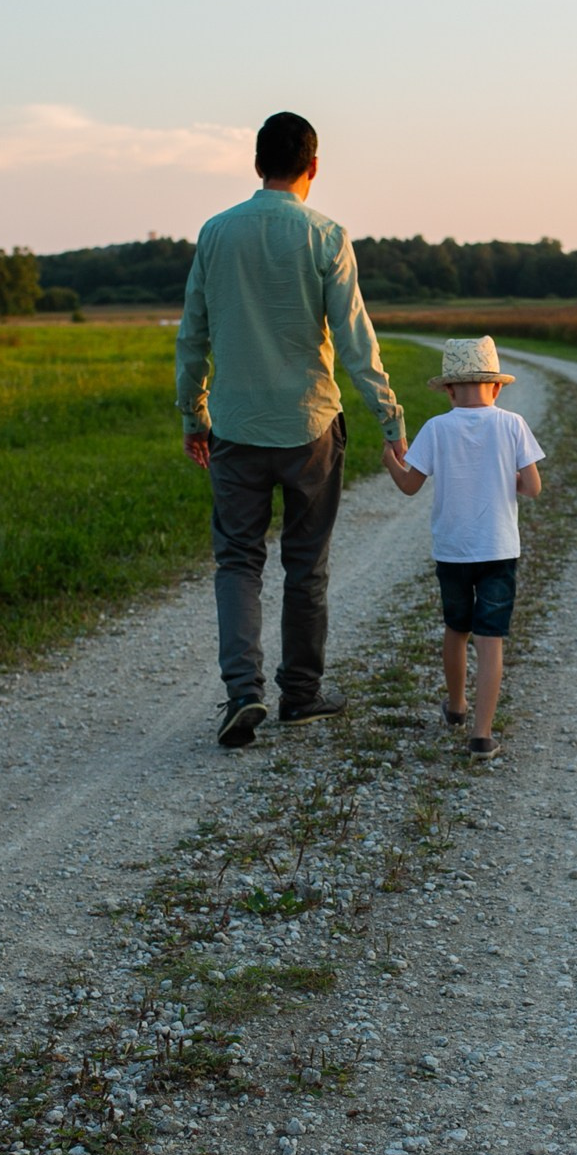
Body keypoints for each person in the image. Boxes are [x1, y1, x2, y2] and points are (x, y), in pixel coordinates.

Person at [176, 111, 408, 748]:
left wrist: (195, 415)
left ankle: (243, 693)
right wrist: (391, 418)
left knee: (238, 561)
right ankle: (300, 695)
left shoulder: (216, 233)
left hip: (236, 427)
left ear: (257, 165)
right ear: (313, 165)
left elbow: (192, 335)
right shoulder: (327, 236)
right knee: (306, 565)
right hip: (310, 427)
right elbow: (357, 342)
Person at [380, 337, 544, 759]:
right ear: (497, 387)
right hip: (499, 549)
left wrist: (391, 461)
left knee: (457, 629)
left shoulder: (436, 428)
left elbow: (410, 486)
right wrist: (500, 479)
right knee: (491, 640)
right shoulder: (513, 423)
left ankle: (455, 706)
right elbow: (533, 487)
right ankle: (482, 736)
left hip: (453, 551)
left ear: (449, 390)